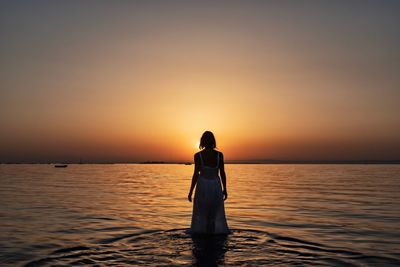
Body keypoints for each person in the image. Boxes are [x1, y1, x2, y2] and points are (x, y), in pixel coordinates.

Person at [188, 131, 230, 234]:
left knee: (202, 213)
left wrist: (190, 192)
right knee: (213, 214)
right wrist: (225, 189)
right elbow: (222, 173)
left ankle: (203, 237)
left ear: (202, 141)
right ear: (213, 141)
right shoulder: (219, 155)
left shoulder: (198, 156)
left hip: (202, 187)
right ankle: (211, 237)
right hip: (215, 187)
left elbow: (196, 174)